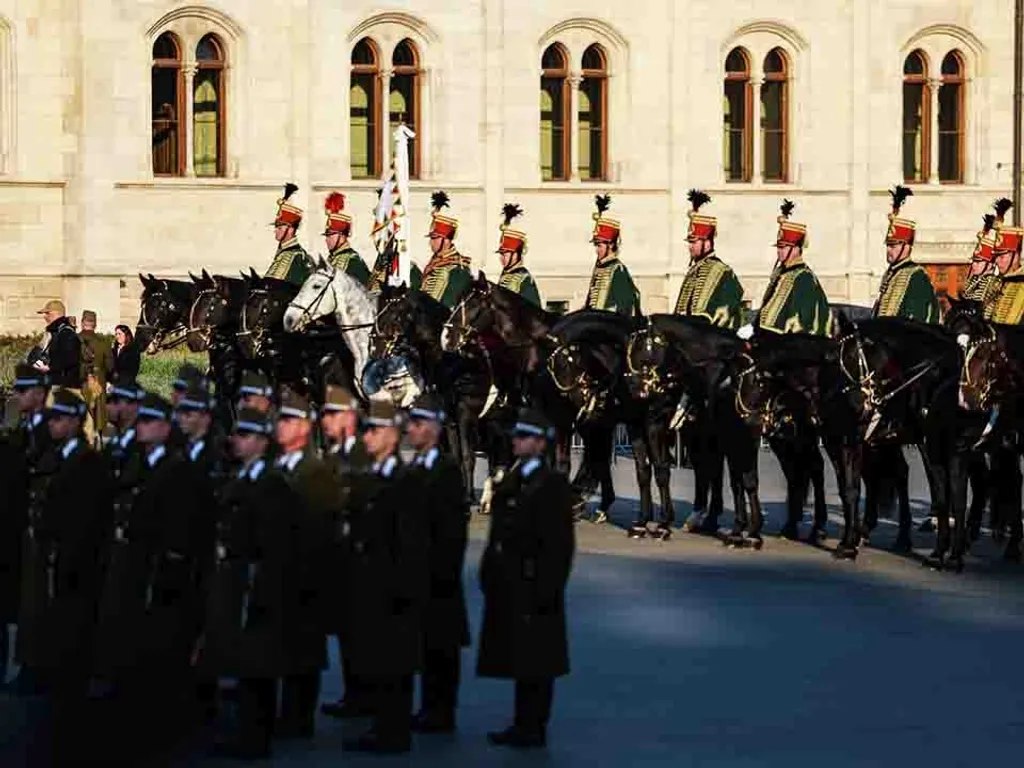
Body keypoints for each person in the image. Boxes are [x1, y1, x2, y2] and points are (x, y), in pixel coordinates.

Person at [92, 392, 210, 763]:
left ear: (164, 427)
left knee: (163, 657)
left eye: (148, 421)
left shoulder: (177, 470)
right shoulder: (144, 463)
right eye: (139, 421)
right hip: (137, 576)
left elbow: (178, 533)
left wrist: (168, 576)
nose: (140, 426)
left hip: (162, 582)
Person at [15, 389, 109, 764]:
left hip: (77, 566)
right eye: (51, 419)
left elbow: (85, 520)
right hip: (57, 562)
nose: (52, 424)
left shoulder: (87, 463)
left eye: (58, 419)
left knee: (74, 643)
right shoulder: (58, 456)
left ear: (74, 422)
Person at [199, 408, 298, 759]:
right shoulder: (245, 477)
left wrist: (262, 588)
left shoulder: (270, 484)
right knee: (248, 664)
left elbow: (273, 545)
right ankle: (249, 732)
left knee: (258, 666)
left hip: (259, 584)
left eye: (244, 437)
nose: (236, 442)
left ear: (261, 442)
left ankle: (255, 738)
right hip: (243, 581)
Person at [477, 407, 575, 749]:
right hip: (514, 583)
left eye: (522, 436)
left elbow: (560, 547)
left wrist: (548, 589)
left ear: (539, 443)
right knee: (522, 657)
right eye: (515, 435)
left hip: (537, 585)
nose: (515, 441)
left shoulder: (551, 484)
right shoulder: (515, 479)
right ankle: (522, 721)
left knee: (538, 661)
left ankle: (535, 725)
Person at [342, 398, 428, 754]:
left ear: (392, 436)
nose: (367, 437)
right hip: (373, 588)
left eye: (374, 431)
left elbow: (409, 546)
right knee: (379, 663)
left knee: (393, 665)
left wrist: (397, 593)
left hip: (393, 594)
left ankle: (392, 733)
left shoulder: (403, 482)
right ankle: (383, 726)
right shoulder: (374, 477)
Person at [405, 393, 470, 734]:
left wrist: (440, 574)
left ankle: (442, 711)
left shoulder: (445, 471)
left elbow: (451, 532)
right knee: (427, 648)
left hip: (439, 579)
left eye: (417, 423)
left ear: (434, 427)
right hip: (420, 575)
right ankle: (429, 707)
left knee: (442, 648)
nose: (410, 429)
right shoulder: (417, 467)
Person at [272, 387, 330, 741]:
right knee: (289, 648)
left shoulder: (314, 471)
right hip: (286, 571)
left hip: (307, 574)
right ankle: (289, 714)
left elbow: (320, 529)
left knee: (305, 650)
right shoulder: (283, 466)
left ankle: (300, 718)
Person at [318, 384, 373, 720]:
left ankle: (366, 696)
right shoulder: (335, 455)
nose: (325, 421)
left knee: (362, 634)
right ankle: (354, 693)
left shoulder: (362, 457)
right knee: (348, 634)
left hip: (361, 562)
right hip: (339, 561)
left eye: (331, 414)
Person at [0, 365, 52, 692]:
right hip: (13, 524)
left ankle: (30, 665)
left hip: (34, 526)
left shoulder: (47, 430)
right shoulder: (20, 430)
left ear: (38, 393)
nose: (16, 397)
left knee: (32, 599)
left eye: (22, 391)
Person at [674, 189, 744, 328]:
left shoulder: (723, 272)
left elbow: (725, 315)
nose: (690, 247)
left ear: (707, 242)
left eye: (694, 242)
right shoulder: (693, 271)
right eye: (690, 242)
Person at [872, 185, 940, 323]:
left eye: (894, 245)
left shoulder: (917, 276)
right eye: (888, 245)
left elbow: (915, 319)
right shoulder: (890, 274)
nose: (889, 250)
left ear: (907, 245)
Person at [584, 194, 640, 316]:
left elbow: (625, 304)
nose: (596, 250)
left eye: (599, 246)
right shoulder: (600, 268)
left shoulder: (617, 269)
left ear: (610, 245)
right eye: (596, 246)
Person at [420, 190, 472, 308]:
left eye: (435, 238)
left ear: (446, 240)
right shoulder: (434, 263)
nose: (431, 243)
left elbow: (451, 305)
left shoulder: (458, 268)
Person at [265, 182, 313, 286]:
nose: (276, 230)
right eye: (276, 227)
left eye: (280, 227)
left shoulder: (296, 255)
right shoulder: (284, 252)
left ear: (290, 230)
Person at [495, 203, 542, 306]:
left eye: (505, 254)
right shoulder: (505, 276)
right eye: (501, 254)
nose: (501, 258)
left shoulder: (524, 279)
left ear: (516, 255)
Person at [78, 310, 113, 439]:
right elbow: (110, 366)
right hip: (99, 378)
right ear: (95, 324)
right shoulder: (103, 341)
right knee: (99, 409)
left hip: (80, 379)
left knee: (83, 407)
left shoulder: (74, 339)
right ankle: (99, 435)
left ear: (82, 323)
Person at [323, 191, 370, 284]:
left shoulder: (353, 261)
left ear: (341, 235)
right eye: (327, 236)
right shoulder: (331, 258)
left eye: (330, 235)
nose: (326, 240)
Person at [984, 219, 1024, 324]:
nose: (996, 261)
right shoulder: (995, 283)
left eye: (1001, 256)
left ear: (1016, 256)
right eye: (995, 257)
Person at [102, 377, 142, 480]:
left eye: (115, 402)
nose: (108, 406)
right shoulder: (117, 439)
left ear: (134, 406)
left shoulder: (139, 442)